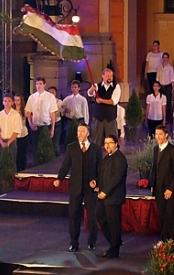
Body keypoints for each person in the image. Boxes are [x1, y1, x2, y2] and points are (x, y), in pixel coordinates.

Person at [53, 123, 101, 252]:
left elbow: (100, 169)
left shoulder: (96, 149)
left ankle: (92, 242)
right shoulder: (72, 148)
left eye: (82, 131)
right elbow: (65, 165)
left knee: (92, 215)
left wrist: (96, 181)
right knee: (74, 215)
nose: (80, 133)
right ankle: (74, 242)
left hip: (90, 188)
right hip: (76, 187)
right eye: (78, 131)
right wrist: (59, 179)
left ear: (88, 133)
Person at [91, 134, 127, 259]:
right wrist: (97, 184)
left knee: (114, 224)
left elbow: (116, 178)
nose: (107, 146)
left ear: (116, 144)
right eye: (105, 143)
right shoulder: (107, 158)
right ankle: (115, 241)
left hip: (114, 197)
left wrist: (105, 191)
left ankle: (114, 249)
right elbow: (103, 175)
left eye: (110, 143)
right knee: (100, 217)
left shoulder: (120, 158)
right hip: (105, 196)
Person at [149, 125, 174, 252]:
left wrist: (170, 189)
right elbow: (155, 168)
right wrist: (152, 184)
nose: (158, 137)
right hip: (158, 189)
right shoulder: (155, 149)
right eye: (156, 134)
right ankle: (164, 241)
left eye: (160, 134)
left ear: (166, 135)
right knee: (162, 216)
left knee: (170, 216)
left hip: (170, 191)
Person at [87, 68, 121, 146]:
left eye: (111, 76)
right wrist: (92, 89)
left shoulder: (116, 87)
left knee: (112, 140)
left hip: (110, 118)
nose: (109, 77)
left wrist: (101, 100)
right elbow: (89, 93)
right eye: (107, 75)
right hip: (98, 117)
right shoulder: (97, 86)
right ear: (102, 76)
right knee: (96, 140)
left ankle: (113, 153)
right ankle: (96, 153)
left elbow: (114, 101)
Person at [25, 77, 57, 158]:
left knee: (46, 148)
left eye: (40, 84)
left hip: (45, 126)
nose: (38, 86)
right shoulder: (32, 97)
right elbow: (28, 112)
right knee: (35, 148)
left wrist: (52, 129)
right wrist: (31, 124)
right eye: (37, 84)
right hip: (35, 126)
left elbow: (52, 113)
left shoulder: (50, 97)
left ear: (44, 85)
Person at [0, 93, 22, 171]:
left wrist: (9, 142)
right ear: (3, 102)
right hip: (2, 141)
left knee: (12, 162)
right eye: (5, 101)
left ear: (12, 103)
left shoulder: (16, 114)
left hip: (12, 141)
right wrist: (1, 142)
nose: (7, 103)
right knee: (3, 162)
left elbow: (17, 130)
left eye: (9, 101)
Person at [157, 52, 174, 126]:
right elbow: (157, 78)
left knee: (168, 103)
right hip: (161, 87)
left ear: (168, 59)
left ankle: (169, 119)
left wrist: (173, 88)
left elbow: (172, 79)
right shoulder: (159, 68)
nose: (165, 59)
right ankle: (161, 118)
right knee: (161, 103)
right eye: (163, 57)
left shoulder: (170, 68)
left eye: (166, 57)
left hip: (168, 87)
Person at [14, 94, 29, 172]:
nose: (16, 102)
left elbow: (29, 119)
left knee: (23, 153)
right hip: (15, 135)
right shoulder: (12, 111)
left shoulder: (24, 110)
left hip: (23, 134)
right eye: (15, 100)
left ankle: (23, 170)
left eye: (18, 100)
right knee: (16, 154)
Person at [48, 86, 63, 157]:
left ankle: (57, 157)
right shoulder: (46, 102)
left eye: (53, 92)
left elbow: (62, 112)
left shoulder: (59, 102)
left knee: (56, 142)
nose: (51, 94)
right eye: (49, 92)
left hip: (57, 122)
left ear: (56, 93)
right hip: (48, 123)